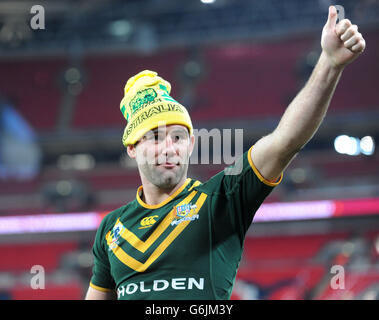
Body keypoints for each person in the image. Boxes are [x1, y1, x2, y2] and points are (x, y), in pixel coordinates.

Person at [85, 7, 366, 300]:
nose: (169, 147)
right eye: (155, 138)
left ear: (191, 144)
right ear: (132, 148)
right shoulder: (111, 228)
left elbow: (285, 141)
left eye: (178, 137)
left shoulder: (222, 199)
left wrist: (330, 64)